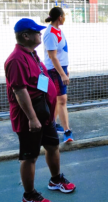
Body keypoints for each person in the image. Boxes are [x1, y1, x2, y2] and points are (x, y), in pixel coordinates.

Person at [5, 18, 76, 202]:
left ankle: (55, 180)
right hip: (30, 118)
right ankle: (29, 196)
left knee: (53, 146)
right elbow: (19, 91)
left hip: (44, 114)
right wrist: (32, 118)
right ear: (25, 36)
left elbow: (40, 81)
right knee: (30, 157)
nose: (40, 34)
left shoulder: (32, 54)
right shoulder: (15, 60)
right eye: (36, 32)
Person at [43, 7, 73, 143]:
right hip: (54, 71)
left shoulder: (58, 30)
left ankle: (51, 125)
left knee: (57, 100)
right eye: (64, 15)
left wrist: (65, 69)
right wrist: (62, 74)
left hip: (60, 69)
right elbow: (52, 57)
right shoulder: (50, 33)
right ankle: (67, 131)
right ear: (60, 17)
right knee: (62, 100)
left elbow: (61, 54)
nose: (65, 18)